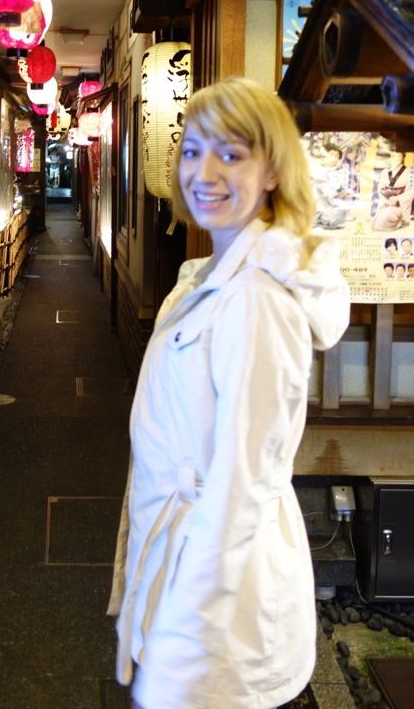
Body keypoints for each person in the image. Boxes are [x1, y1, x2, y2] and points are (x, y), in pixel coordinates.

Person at [109, 78, 350, 709]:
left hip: (221, 612)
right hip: (189, 576)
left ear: (272, 171)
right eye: (192, 150)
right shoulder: (212, 274)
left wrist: (180, 648)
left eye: (232, 153)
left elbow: (242, 484)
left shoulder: (256, 300)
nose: (204, 172)